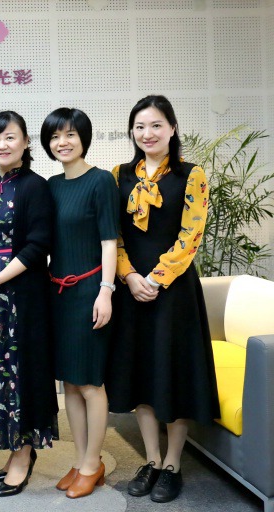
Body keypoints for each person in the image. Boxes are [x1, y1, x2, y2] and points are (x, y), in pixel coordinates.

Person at [105, 95, 219, 503]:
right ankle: (151, 459)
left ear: (172, 128)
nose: (147, 134)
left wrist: (154, 279)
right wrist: (130, 276)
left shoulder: (192, 174)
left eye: (156, 125)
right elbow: (113, 236)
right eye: (139, 126)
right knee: (141, 374)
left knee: (174, 373)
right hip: (131, 289)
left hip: (174, 292)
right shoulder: (118, 175)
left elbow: (191, 236)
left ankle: (172, 464)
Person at [0, 111, 59, 498]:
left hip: (23, 291)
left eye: (9, 137)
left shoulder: (36, 186)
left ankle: (23, 453)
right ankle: (11, 447)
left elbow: (38, 246)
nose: (1, 145)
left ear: (25, 142)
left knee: (22, 370)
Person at [40, 108, 119, 498]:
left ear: (84, 138)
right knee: (69, 383)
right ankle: (79, 460)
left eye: (70, 134)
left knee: (90, 382)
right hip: (57, 293)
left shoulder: (100, 181)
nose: (63, 142)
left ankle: (93, 463)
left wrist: (106, 290)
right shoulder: (51, 186)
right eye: (55, 136)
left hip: (89, 291)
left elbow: (109, 241)